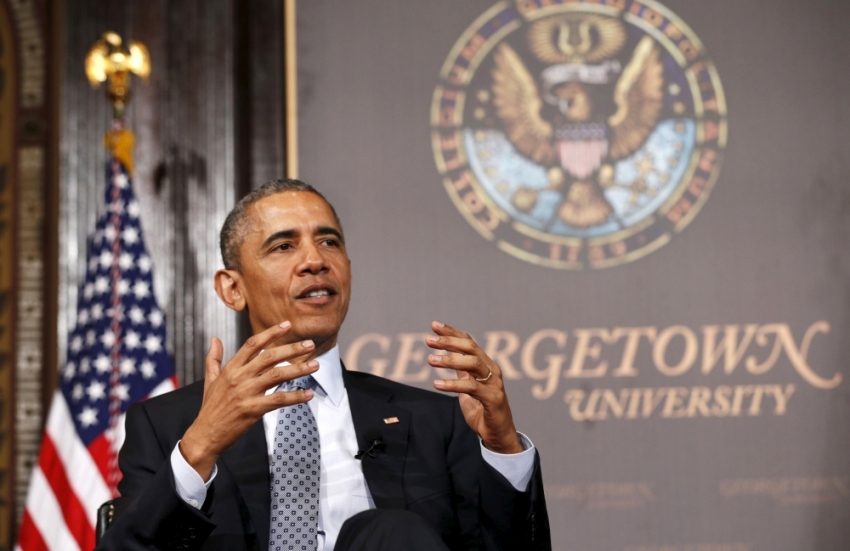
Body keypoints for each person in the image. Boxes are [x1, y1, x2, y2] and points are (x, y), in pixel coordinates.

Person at [97, 179, 550, 550]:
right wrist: (200, 446)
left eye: (328, 242)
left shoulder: (435, 420)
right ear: (232, 288)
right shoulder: (168, 425)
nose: (315, 261)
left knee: (389, 532)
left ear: (348, 269)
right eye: (283, 247)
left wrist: (503, 446)